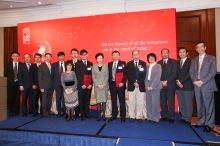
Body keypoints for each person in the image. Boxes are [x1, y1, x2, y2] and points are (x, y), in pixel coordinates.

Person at [189, 41, 217, 132]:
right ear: (196, 49)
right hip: (197, 86)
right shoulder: (194, 60)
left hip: (207, 85)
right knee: (199, 105)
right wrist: (195, 81)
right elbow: (191, 73)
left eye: (201, 47)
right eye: (198, 47)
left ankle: (209, 124)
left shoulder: (211, 58)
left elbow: (212, 72)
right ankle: (201, 122)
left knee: (209, 106)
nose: (200, 48)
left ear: (205, 48)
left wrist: (202, 81)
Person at [158, 48, 177, 123]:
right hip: (161, 85)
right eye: (163, 53)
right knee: (163, 102)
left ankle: (171, 116)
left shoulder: (173, 62)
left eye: (166, 53)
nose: (164, 54)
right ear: (161, 54)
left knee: (170, 102)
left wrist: (166, 81)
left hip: (170, 85)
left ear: (169, 53)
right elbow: (157, 74)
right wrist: (161, 81)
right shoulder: (159, 62)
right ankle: (165, 115)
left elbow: (174, 73)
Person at [127, 50, 146, 123]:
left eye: (137, 54)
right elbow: (128, 74)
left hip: (140, 86)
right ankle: (132, 116)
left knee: (140, 102)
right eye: (134, 55)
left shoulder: (143, 63)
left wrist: (139, 83)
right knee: (131, 102)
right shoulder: (129, 64)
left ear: (139, 55)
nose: (135, 56)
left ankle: (139, 116)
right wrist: (134, 82)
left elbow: (144, 75)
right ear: (132, 56)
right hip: (132, 86)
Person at [176, 47, 194, 125]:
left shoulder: (191, 62)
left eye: (183, 52)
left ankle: (188, 119)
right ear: (178, 54)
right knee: (182, 103)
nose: (182, 53)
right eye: (180, 52)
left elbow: (190, 73)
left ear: (187, 53)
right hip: (178, 86)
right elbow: (175, 73)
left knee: (188, 103)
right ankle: (183, 117)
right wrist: (177, 80)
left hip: (188, 86)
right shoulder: (177, 62)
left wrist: (181, 81)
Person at [108, 51, 127, 123]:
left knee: (122, 101)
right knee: (114, 101)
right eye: (114, 55)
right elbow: (109, 75)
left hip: (120, 85)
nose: (115, 56)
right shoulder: (109, 64)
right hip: (112, 84)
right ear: (112, 56)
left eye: (117, 55)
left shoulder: (123, 63)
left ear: (119, 56)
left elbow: (125, 75)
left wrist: (122, 82)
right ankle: (114, 115)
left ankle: (122, 116)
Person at [75, 49, 93, 121]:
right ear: (80, 56)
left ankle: (86, 113)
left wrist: (91, 84)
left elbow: (92, 75)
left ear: (87, 55)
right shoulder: (78, 63)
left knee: (87, 100)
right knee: (81, 100)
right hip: (81, 86)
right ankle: (82, 114)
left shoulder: (90, 63)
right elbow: (78, 75)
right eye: (82, 55)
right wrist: (82, 84)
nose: (83, 56)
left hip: (89, 86)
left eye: (85, 54)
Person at [144, 53, 162, 123]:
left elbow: (158, 77)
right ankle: (149, 117)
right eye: (149, 57)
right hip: (148, 86)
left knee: (155, 103)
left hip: (155, 87)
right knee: (149, 103)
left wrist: (152, 86)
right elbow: (145, 78)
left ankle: (155, 118)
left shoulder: (158, 66)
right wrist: (147, 86)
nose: (151, 59)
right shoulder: (147, 67)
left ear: (155, 58)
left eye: (152, 57)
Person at [92, 53, 109, 121]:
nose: (99, 59)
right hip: (97, 86)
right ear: (96, 59)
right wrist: (98, 84)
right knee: (98, 102)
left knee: (104, 102)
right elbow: (93, 77)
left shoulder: (106, 66)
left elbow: (107, 76)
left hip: (104, 86)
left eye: (101, 58)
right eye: (98, 58)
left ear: (102, 59)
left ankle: (104, 115)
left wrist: (103, 84)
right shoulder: (94, 67)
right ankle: (99, 115)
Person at [4, 52, 21, 117]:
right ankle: (10, 111)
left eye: (17, 56)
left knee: (17, 98)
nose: (15, 57)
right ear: (11, 57)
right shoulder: (8, 64)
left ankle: (16, 111)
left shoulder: (21, 64)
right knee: (10, 98)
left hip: (18, 84)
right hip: (10, 84)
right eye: (14, 56)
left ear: (19, 57)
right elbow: (5, 74)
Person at [52, 51, 66, 117]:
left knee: (65, 98)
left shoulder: (67, 64)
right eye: (60, 56)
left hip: (65, 84)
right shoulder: (54, 65)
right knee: (58, 98)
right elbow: (52, 75)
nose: (61, 57)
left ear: (64, 56)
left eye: (62, 56)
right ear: (58, 57)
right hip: (57, 84)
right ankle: (59, 111)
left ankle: (64, 111)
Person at [38, 53, 53, 117]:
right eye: (47, 57)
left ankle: (48, 110)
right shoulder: (41, 66)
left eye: (49, 57)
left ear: (51, 58)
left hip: (51, 85)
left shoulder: (52, 65)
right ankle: (44, 112)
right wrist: (41, 87)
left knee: (49, 99)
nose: (48, 58)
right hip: (44, 86)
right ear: (45, 58)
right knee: (44, 99)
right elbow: (40, 77)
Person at [67, 48, 80, 117]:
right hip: (69, 83)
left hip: (79, 83)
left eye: (75, 53)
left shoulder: (80, 62)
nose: (74, 54)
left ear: (77, 54)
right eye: (73, 53)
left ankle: (77, 112)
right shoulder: (68, 62)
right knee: (69, 97)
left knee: (77, 97)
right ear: (71, 54)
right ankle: (69, 113)